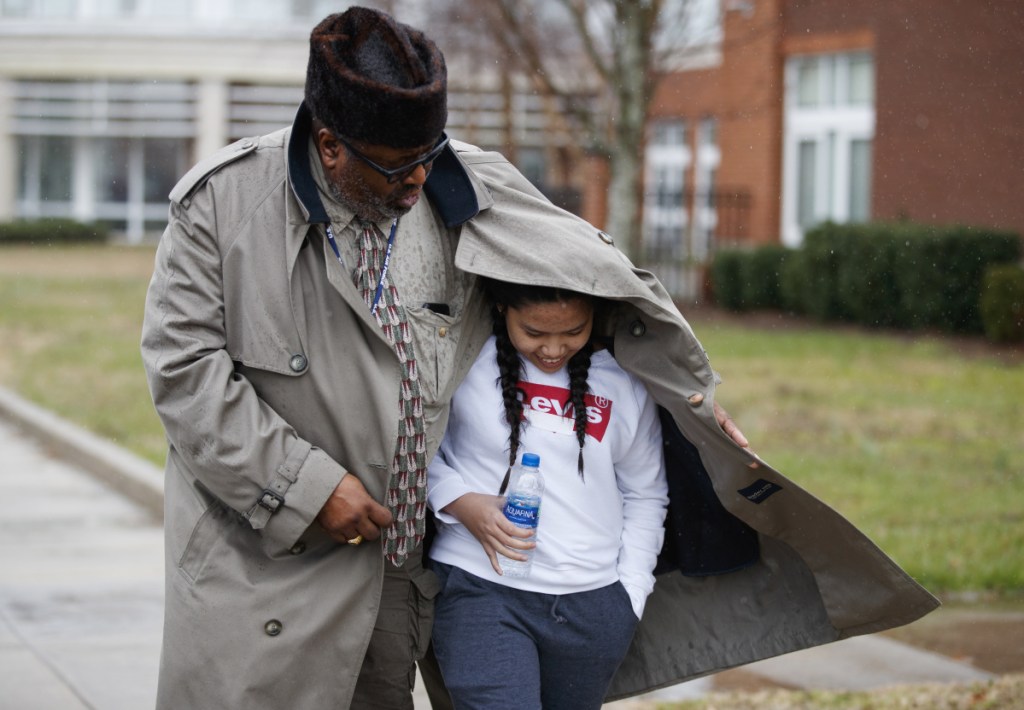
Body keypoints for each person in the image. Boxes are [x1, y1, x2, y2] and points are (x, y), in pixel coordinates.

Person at [141, 5, 935, 710]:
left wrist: (688, 396)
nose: (420, 182)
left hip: (446, 559)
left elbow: (601, 281)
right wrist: (306, 488)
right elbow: (183, 372)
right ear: (328, 144)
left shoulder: (464, 182)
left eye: (430, 154)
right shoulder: (220, 207)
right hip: (289, 558)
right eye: (395, 166)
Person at [426, 279, 669, 709]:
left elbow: (646, 494)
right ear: (503, 309)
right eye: (534, 333)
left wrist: (630, 592)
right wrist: (461, 503)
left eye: (573, 332)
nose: (554, 350)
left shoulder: (623, 382)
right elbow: (413, 450)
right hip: (481, 591)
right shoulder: (463, 364)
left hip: (592, 607)